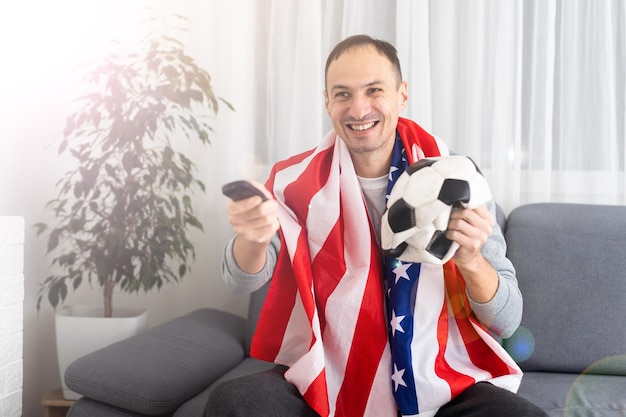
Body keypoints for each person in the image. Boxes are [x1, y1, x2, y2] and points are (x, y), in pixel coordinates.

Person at [206, 35, 547, 417]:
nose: (359, 108)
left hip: (442, 380)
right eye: (343, 94)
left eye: (374, 90)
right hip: (325, 376)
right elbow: (241, 281)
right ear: (326, 102)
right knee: (233, 403)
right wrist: (253, 238)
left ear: (402, 95)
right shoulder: (292, 183)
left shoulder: (459, 180)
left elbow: (508, 318)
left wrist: (470, 260)